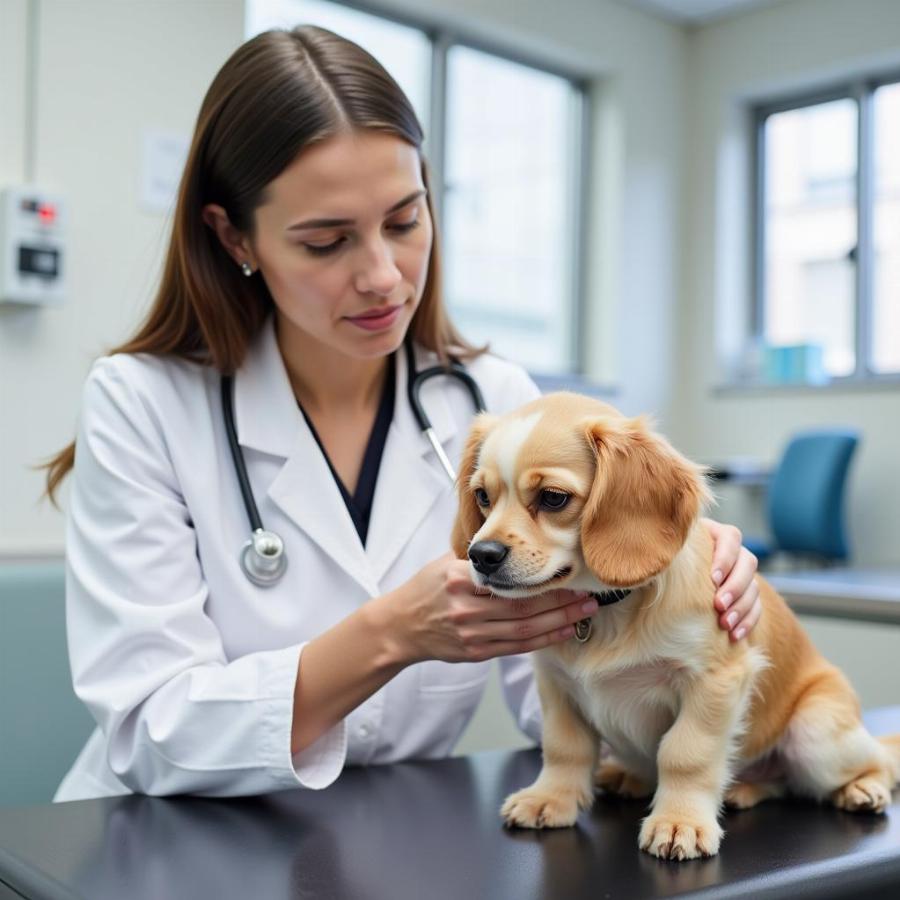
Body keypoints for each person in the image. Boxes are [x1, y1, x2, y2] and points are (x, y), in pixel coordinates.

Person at [43, 26, 761, 802]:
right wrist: (388, 637)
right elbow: (148, 732)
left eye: (404, 220)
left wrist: (670, 580)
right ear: (233, 235)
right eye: (327, 241)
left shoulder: (497, 401)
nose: (384, 277)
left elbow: (560, 684)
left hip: (392, 837)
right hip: (157, 842)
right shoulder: (142, 402)